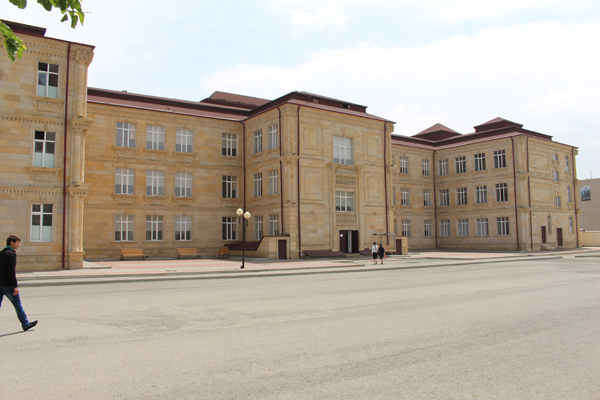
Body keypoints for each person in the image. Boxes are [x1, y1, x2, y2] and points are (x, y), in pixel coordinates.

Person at [0, 235, 38, 331]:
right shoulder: (11, 254)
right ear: (11, 242)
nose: (19, 245)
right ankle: (25, 324)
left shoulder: (2, 253)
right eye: (17, 242)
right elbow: (11, 271)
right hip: (8, 285)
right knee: (17, 305)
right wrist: (15, 286)